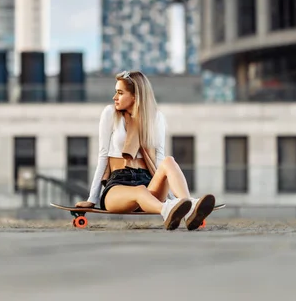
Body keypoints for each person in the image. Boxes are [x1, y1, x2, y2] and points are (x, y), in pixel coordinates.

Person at [75, 70, 216, 231]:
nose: (115, 97)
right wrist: (92, 199)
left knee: (168, 161)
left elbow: (159, 161)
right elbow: (102, 156)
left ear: (135, 96)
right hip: (117, 185)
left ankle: (189, 207)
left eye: (120, 93)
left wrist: (172, 197)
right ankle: (168, 210)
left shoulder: (156, 118)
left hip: (148, 181)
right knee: (139, 191)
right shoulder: (110, 114)